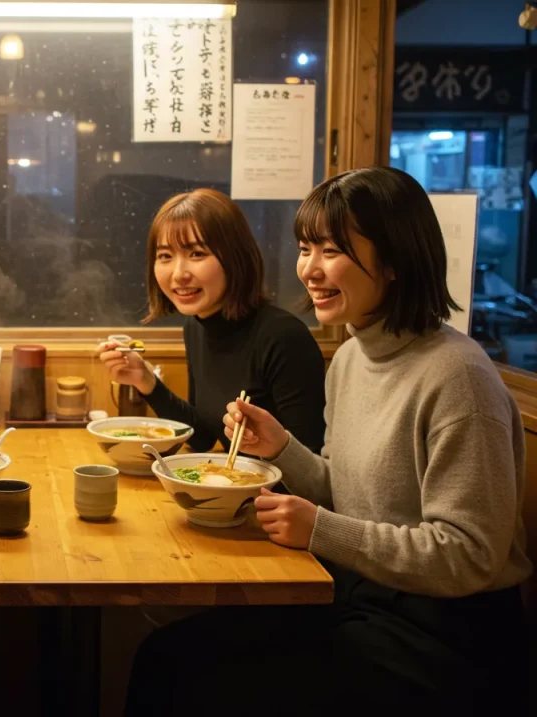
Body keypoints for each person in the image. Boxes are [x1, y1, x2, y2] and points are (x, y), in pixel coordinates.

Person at [124, 167, 531, 714]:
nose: (309, 270)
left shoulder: (457, 376)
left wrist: (320, 529)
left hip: (441, 638)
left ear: (393, 261)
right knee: (165, 656)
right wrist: (283, 449)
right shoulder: (352, 359)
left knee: (201, 688)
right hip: (360, 600)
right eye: (304, 248)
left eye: (332, 250)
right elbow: (342, 491)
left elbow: (470, 555)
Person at [100, 188, 326, 454]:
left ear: (235, 258)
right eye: (165, 256)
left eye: (196, 254)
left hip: (269, 494)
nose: (178, 273)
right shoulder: (196, 327)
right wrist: (147, 382)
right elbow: (203, 436)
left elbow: (310, 465)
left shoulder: (283, 337)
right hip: (232, 489)